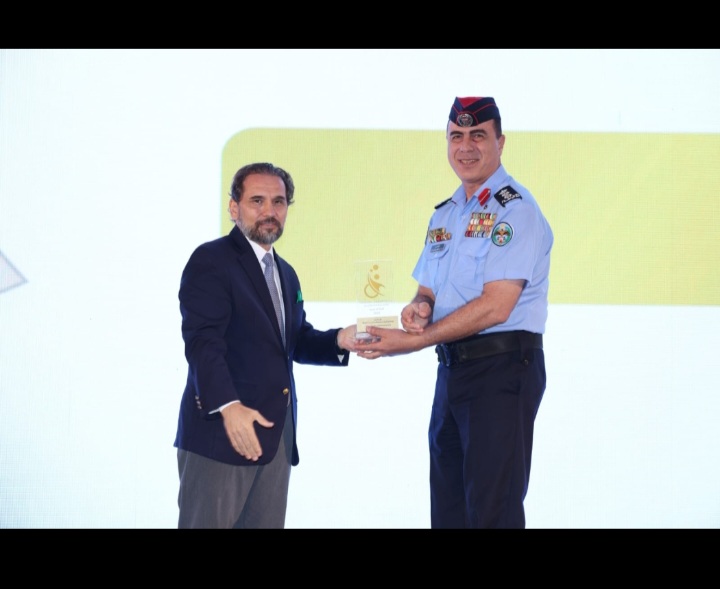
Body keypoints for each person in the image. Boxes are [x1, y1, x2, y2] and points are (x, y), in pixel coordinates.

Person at [356, 97, 554, 528]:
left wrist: (414, 341)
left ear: (501, 142)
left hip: (500, 371)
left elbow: (497, 305)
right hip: (452, 372)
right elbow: (428, 288)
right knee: (449, 511)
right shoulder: (446, 214)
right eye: (456, 136)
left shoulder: (515, 209)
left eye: (477, 135)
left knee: (491, 512)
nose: (465, 146)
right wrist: (419, 308)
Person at [174, 161, 358, 528]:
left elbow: (294, 340)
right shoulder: (212, 260)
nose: (269, 211)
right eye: (257, 200)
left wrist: (340, 339)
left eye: (279, 202)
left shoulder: (286, 272)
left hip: (275, 439)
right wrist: (228, 407)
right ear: (234, 207)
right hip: (223, 433)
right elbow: (203, 343)